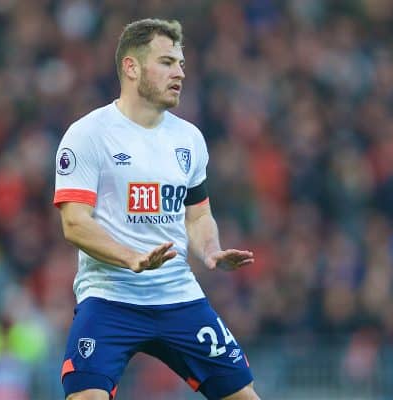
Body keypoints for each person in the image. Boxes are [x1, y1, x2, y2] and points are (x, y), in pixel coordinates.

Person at [53, 18, 260, 400]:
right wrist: (130, 258)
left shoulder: (190, 139)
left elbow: (197, 215)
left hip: (178, 296)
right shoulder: (87, 135)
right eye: (166, 62)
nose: (179, 72)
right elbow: (74, 224)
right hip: (110, 297)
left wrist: (211, 250)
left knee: (245, 396)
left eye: (181, 63)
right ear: (131, 67)